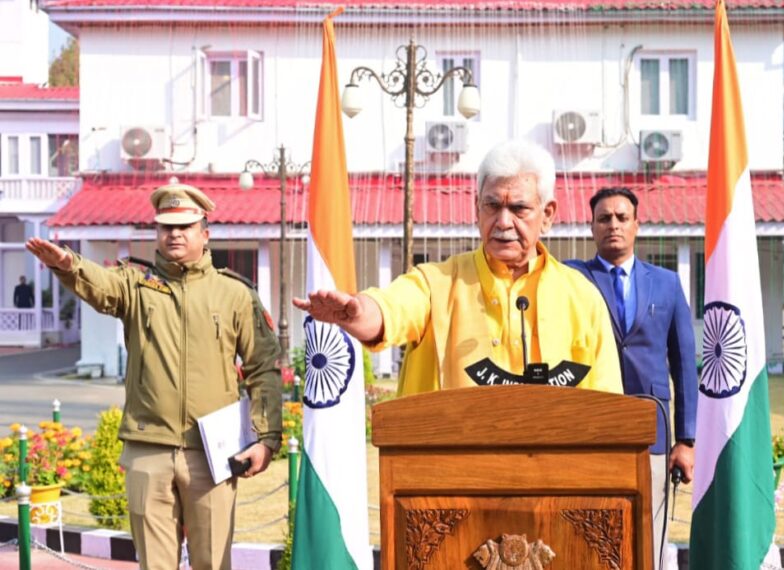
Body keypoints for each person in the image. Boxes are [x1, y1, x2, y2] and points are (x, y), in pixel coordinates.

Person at [25, 182, 282, 570]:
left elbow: (264, 367)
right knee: (154, 565)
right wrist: (68, 265)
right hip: (149, 451)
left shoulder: (234, 294)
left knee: (213, 563)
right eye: (166, 227)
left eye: (185, 226)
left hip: (211, 454)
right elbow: (102, 285)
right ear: (157, 234)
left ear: (204, 233)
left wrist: (266, 438)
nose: (174, 234)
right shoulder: (137, 286)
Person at [294, 139, 622, 396]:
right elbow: (393, 307)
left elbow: (608, 406)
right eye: (492, 205)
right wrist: (358, 313)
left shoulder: (581, 296)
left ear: (548, 215)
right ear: (476, 209)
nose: (503, 222)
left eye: (519, 208)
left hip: (557, 476)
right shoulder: (437, 283)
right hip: (451, 474)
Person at [565, 187, 697, 569]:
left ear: (638, 225)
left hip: (652, 435)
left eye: (622, 218)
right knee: (591, 532)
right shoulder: (573, 279)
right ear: (591, 227)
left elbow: (684, 364)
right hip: (590, 433)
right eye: (604, 218)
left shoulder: (667, 284)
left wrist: (686, 440)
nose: (613, 225)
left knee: (649, 535)